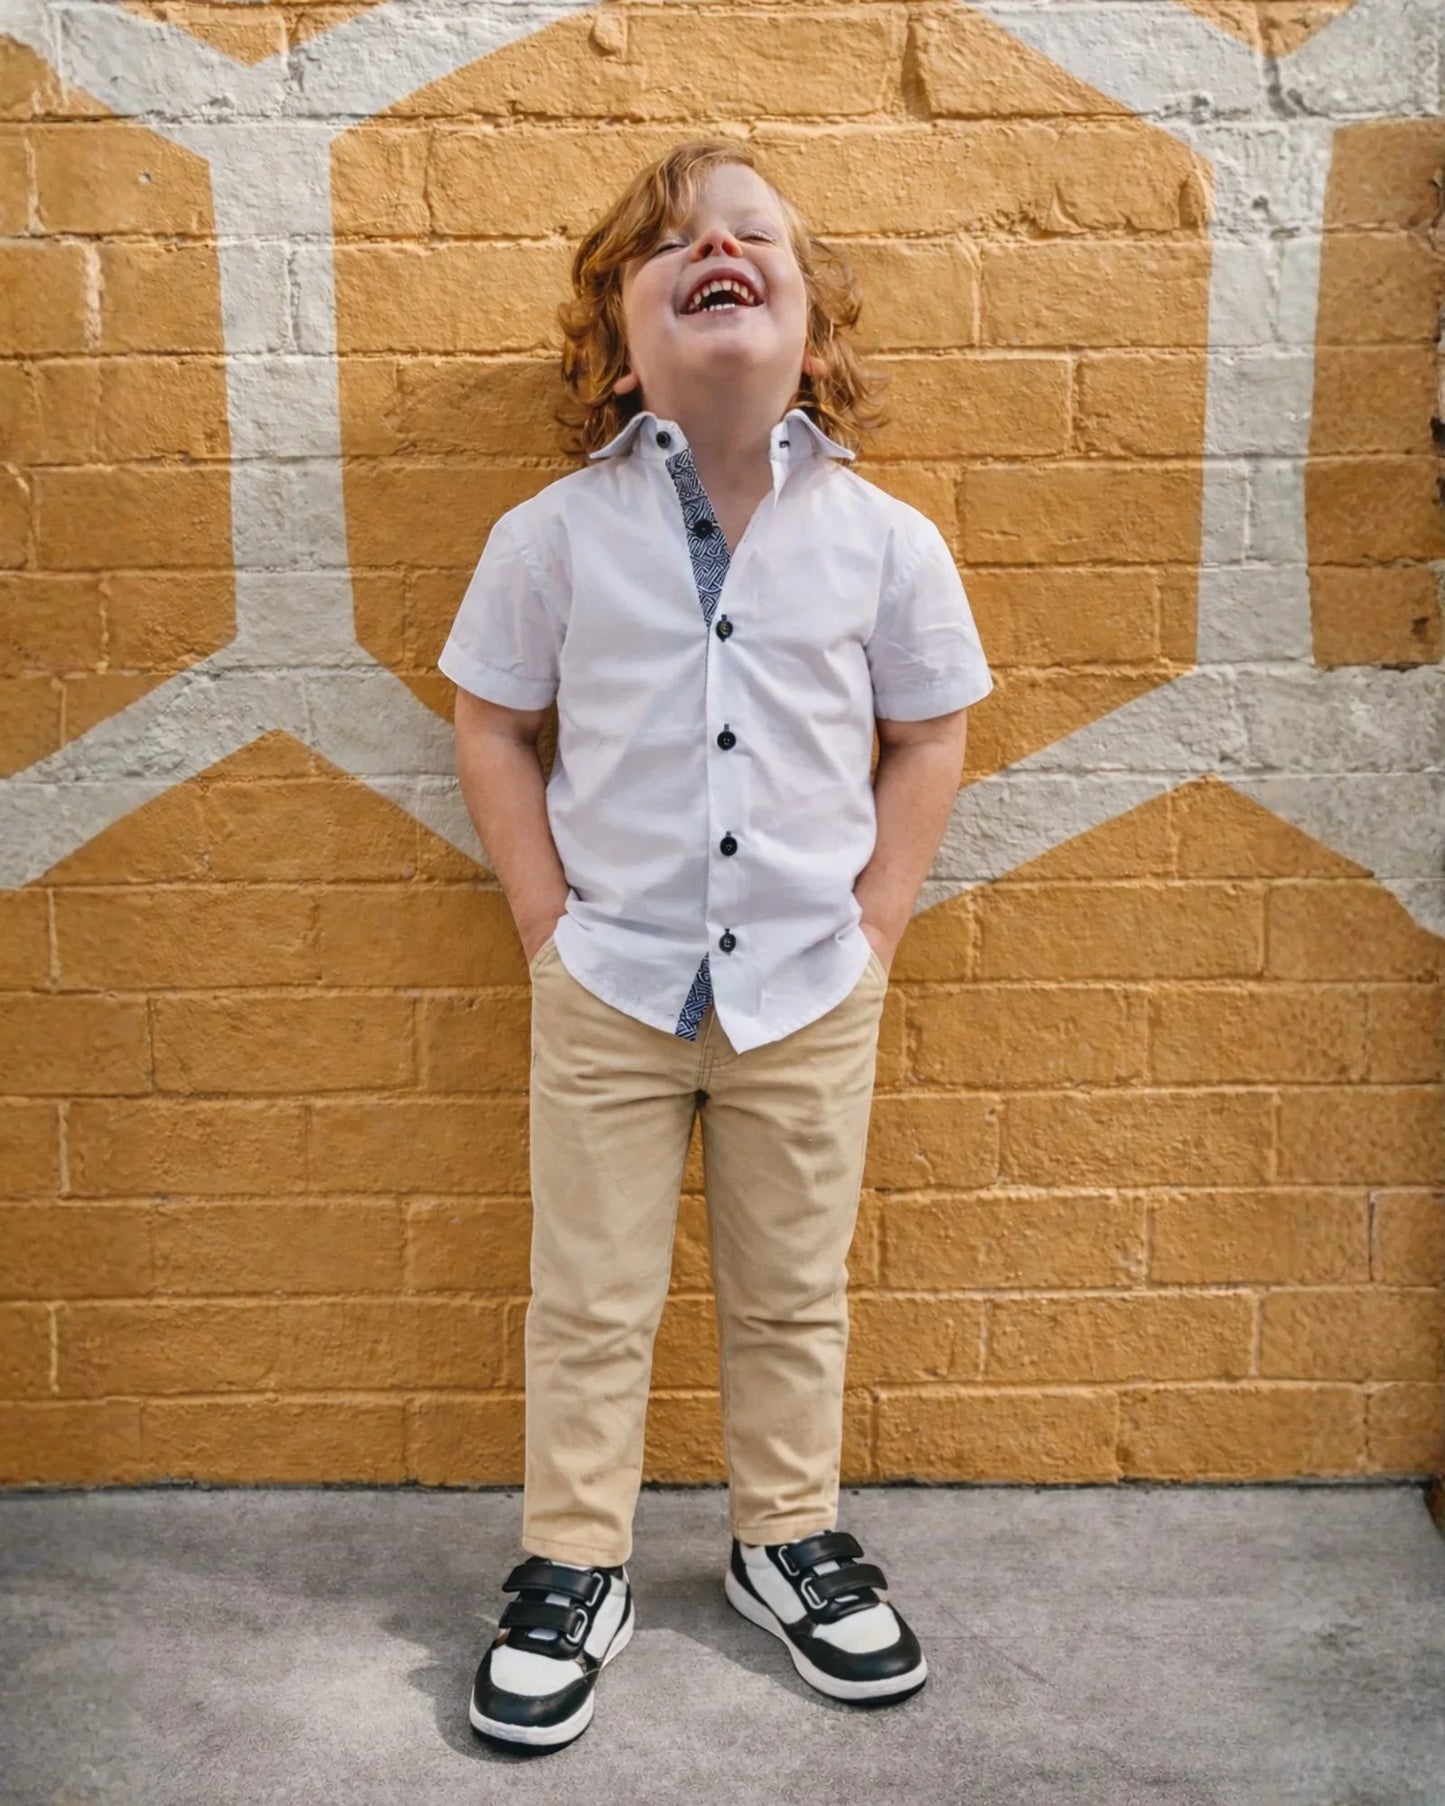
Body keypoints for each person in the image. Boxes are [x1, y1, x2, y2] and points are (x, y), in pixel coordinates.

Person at [442, 140, 994, 1751]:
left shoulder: (881, 539)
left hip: (809, 986)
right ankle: (573, 1559)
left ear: (810, 330)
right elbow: (492, 723)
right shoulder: (554, 534)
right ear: (621, 346)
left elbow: (929, 733)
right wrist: (544, 923)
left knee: (793, 1288)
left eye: (751, 236)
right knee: (588, 1295)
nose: (717, 251)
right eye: (674, 245)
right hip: (609, 981)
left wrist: (874, 921)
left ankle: (783, 1535)